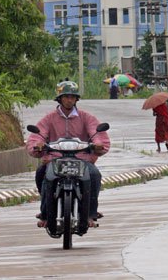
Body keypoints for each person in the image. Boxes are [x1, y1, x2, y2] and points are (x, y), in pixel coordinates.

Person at [26, 81, 110, 229]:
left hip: (82, 160)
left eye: (72, 97)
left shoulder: (86, 117)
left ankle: (90, 213)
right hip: (55, 160)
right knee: (42, 174)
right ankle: (45, 213)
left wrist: (98, 144)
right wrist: (38, 144)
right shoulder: (49, 118)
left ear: (76, 99)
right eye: (66, 97)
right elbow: (38, 134)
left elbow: (96, 132)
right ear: (60, 99)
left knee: (94, 175)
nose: (69, 100)